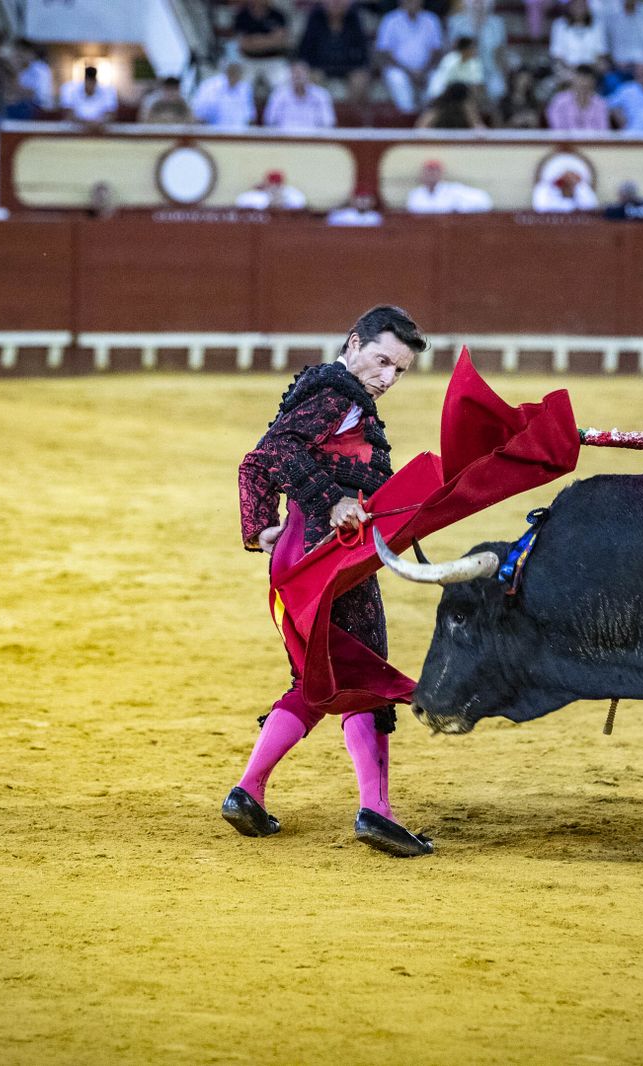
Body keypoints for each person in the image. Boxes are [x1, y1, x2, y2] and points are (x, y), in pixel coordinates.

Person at [226, 305, 434, 858]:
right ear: (354, 343)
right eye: (382, 361)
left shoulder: (332, 394)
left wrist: (263, 528)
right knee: (364, 671)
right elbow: (272, 453)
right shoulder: (339, 396)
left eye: (400, 371)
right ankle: (377, 810)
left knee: (319, 677)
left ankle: (248, 792)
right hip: (328, 551)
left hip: (302, 547)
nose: (388, 378)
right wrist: (331, 499)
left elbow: (256, 465)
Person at [376, 0, 445, 113]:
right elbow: (384, 52)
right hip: (399, 69)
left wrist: (423, 71)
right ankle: (408, 119)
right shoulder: (390, 20)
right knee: (397, 79)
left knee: (438, 79)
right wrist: (410, 73)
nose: (412, 2)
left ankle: (429, 117)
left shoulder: (432, 20)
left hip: (426, 69)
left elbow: (437, 51)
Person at [297, 0, 372, 102]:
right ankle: (319, 114)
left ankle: (350, 114)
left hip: (349, 65)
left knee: (360, 79)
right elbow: (305, 49)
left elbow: (363, 50)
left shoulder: (354, 17)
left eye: (340, 1)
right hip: (320, 66)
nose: (336, 4)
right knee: (312, 78)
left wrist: (359, 68)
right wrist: (309, 67)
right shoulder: (314, 17)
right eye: (332, 1)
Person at [445, 0, 509, 102]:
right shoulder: (456, 22)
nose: (478, 2)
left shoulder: (498, 23)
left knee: (498, 87)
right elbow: (453, 53)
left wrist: (502, 75)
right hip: (464, 70)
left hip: (490, 71)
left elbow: (500, 55)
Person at [233, 0, 293, 90]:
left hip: (274, 60)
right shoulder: (242, 16)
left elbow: (282, 43)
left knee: (284, 83)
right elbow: (243, 44)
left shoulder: (278, 15)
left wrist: (254, 40)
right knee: (242, 86)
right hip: (249, 60)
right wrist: (270, 39)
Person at [264, 61, 336, 129]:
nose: (298, 76)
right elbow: (270, 121)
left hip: (313, 138)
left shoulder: (321, 95)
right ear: (289, 75)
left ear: (308, 74)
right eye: (295, 73)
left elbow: (328, 122)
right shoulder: (278, 94)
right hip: (284, 138)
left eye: (301, 73)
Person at [405, 159, 493, 212]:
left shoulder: (454, 190)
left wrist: (459, 209)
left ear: (441, 174)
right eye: (428, 171)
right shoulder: (415, 194)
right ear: (422, 174)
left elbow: (484, 201)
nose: (431, 174)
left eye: (435, 171)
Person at [192, 58, 258, 129]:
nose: (235, 73)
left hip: (240, 136)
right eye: (233, 70)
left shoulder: (245, 88)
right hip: (215, 135)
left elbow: (251, 117)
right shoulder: (209, 86)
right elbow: (199, 117)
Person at [546, 64, 611, 131]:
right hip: (565, 140)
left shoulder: (600, 103)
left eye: (587, 80)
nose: (583, 83)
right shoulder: (559, 101)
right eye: (580, 79)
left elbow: (603, 131)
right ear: (573, 80)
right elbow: (556, 128)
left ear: (593, 82)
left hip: (592, 141)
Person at [550, 0, 608, 75]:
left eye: (582, 5)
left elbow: (601, 53)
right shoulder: (559, 25)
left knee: (603, 67)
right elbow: (557, 55)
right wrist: (571, 71)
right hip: (567, 71)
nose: (579, 8)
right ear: (570, 6)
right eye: (576, 5)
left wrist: (586, 71)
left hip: (592, 70)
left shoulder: (598, 25)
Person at [425, 35, 484, 103]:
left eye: (475, 48)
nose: (474, 51)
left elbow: (476, 84)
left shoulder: (475, 64)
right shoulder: (450, 60)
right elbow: (444, 83)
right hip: (446, 91)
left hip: (464, 93)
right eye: (471, 48)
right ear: (464, 49)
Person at [416, 80, 486, 128]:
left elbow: (482, 134)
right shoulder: (437, 108)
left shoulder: (468, 111)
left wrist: (471, 114)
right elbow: (420, 130)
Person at [234, 170, 308, 211]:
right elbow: (240, 202)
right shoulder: (257, 194)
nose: (274, 186)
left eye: (277, 183)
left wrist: (282, 200)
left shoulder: (290, 192)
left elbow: (301, 202)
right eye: (272, 183)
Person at [532, 168, 598, 213]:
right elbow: (541, 207)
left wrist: (579, 186)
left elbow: (590, 206)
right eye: (565, 181)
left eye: (570, 183)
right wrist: (555, 186)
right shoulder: (548, 190)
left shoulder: (580, 189)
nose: (567, 184)